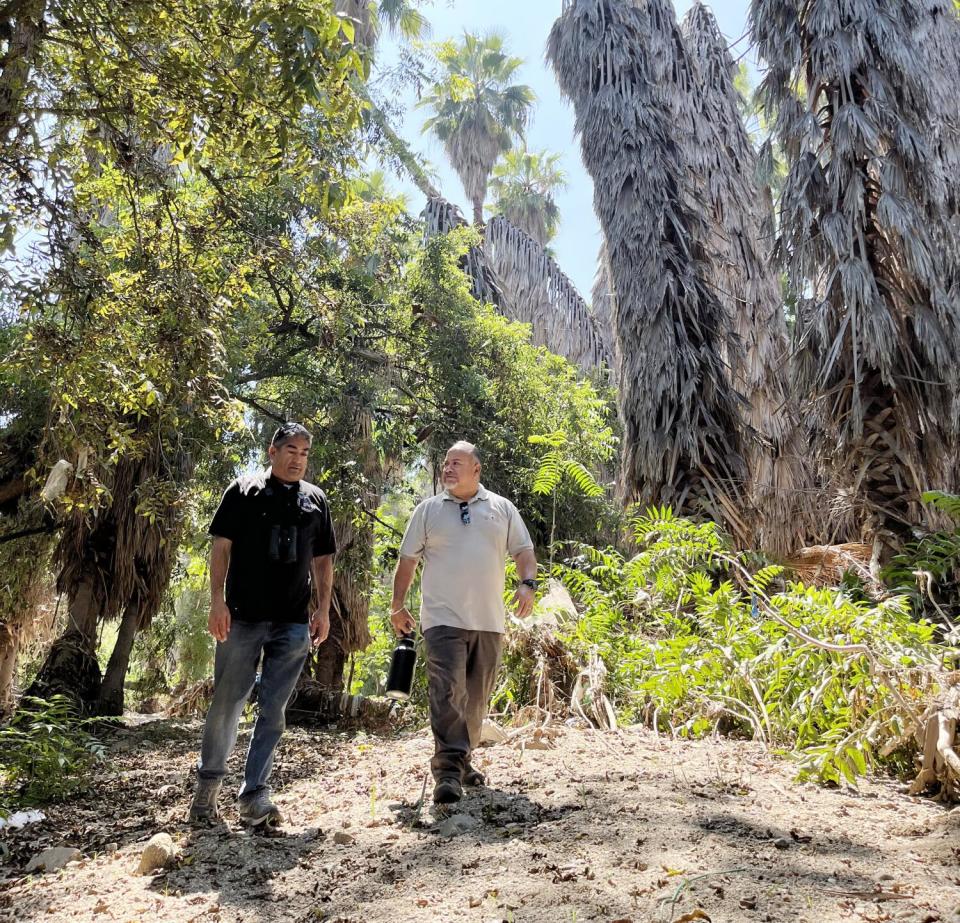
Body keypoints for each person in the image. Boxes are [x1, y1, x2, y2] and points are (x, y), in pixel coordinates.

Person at [188, 422, 337, 827]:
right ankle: (207, 791)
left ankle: (255, 794)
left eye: (305, 452)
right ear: (272, 452)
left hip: (292, 622)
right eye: (291, 449)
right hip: (242, 617)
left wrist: (323, 610)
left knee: (273, 710)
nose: (298, 458)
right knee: (227, 703)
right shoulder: (242, 491)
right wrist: (217, 601)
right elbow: (221, 546)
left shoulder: (316, 501)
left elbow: (323, 560)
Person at [391, 441, 537, 804]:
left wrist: (527, 584)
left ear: (477, 470)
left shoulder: (501, 508)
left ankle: (462, 757)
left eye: (456, 463)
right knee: (447, 689)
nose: (447, 468)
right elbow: (407, 560)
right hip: (442, 618)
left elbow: (523, 551)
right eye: (445, 462)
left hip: (489, 621)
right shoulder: (428, 511)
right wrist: (397, 605)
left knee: (475, 698)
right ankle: (448, 771)